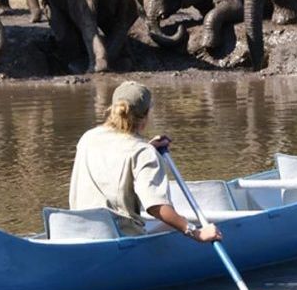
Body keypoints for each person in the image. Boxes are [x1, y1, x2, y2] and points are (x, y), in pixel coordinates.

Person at [69, 80, 222, 242]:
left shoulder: (89, 137)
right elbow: (156, 207)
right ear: (146, 114)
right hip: (117, 237)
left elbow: (115, 156)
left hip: (77, 230)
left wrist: (147, 148)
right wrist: (195, 232)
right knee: (177, 221)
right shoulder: (142, 152)